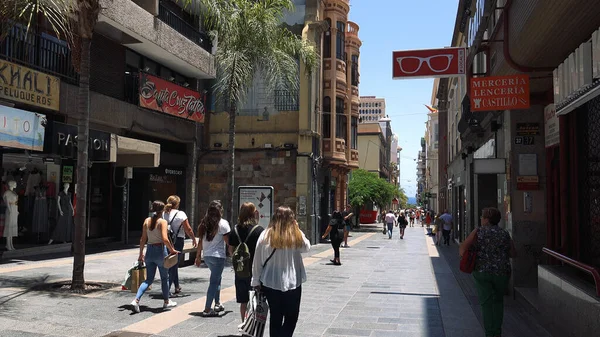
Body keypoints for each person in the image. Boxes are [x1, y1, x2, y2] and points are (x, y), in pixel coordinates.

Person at [252, 206, 311, 337]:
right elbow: (307, 247)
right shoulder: (295, 234)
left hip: (270, 281)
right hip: (292, 282)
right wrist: (297, 228)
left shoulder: (265, 234)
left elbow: (257, 261)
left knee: (275, 317)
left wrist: (255, 280)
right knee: (291, 317)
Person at [459, 207, 517, 337]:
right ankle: (497, 332)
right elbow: (513, 253)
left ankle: (490, 333)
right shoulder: (504, 233)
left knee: (486, 303)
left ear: (486, 220)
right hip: (502, 272)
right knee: (498, 302)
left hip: (482, 271)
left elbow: (463, 248)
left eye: (482, 217)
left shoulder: (478, 232)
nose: (481, 219)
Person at [130, 201, 179, 313]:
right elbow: (165, 239)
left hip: (149, 250)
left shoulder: (146, 221)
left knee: (148, 279)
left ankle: (136, 300)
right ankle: (166, 301)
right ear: (162, 210)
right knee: (164, 278)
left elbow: (142, 239)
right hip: (160, 251)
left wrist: (140, 253)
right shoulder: (162, 222)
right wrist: (172, 250)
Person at [228, 202, 264, 321]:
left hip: (241, 270)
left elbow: (230, 249)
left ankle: (244, 325)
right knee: (255, 298)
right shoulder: (259, 230)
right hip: (255, 270)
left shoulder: (235, 230)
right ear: (254, 213)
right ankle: (252, 325)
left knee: (243, 301)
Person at [194, 200, 231, 317]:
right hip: (218, 257)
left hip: (207, 256)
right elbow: (228, 242)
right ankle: (207, 308)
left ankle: (218, 303)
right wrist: (232, 254)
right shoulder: (223, 224)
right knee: (214, 282)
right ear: (220, 211)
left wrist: (198, 256)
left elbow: (200, 241)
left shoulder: (203, 223)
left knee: (217, 279)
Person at [163, 195, 197, 296]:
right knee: (173, 265)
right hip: (178, 241)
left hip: (167, 240)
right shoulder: (180, 213)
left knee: (173, 262)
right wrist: (193, 238)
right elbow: (188, 229)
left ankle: (177, 286)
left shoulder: (164, 213)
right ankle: (167, 290)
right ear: (177, 204)